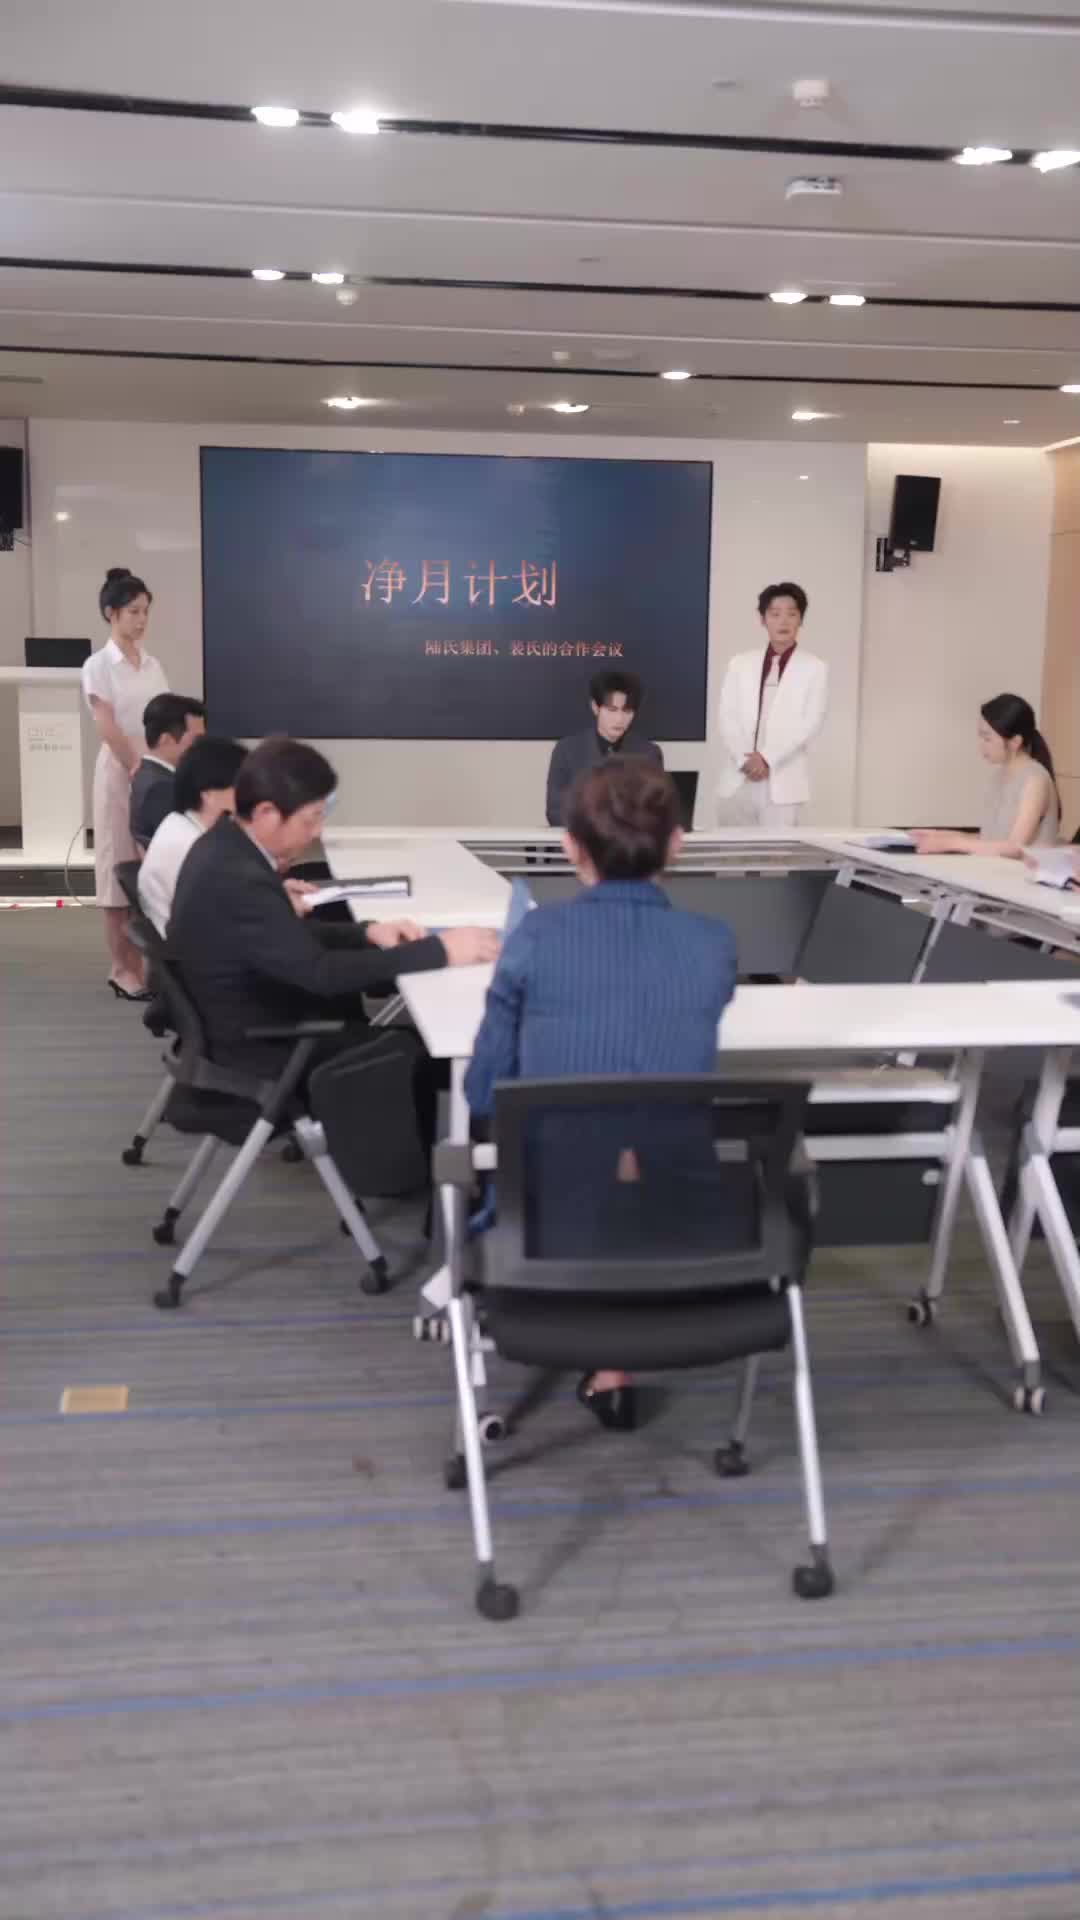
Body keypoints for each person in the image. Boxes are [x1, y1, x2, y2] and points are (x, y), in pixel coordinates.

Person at [466, 758, 738, 1433]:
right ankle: (615, 1361)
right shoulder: (713, 945)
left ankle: (604, 1350)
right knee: (634, 1143)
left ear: (570, 847)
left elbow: (482, 1093)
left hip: (546, 1229)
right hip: (687, 1231)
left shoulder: (535, 938)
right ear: (677, 844)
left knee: (580, 1151)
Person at [168, 737, 498, 1090]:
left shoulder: (223, 847)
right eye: (310, 820)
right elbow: (320, 972)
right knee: (411, 1054)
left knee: (399, 1035)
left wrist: (366, 932)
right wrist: (440, 951)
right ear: (266, 813)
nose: (317, 832)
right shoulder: (240, 877)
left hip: (250, 1018)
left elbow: (281, 936)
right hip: (261, 1047)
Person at [82, 566, 169, 999]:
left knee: (150, 870)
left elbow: (164, 717)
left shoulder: (152, 664)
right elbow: (106, 725)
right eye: (133, 611)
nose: (141, 619)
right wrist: (135, 766)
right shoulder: (98, 666)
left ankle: (150, 965)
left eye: (145, 611)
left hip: (152, 769)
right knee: (118, 869)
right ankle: (121, 969)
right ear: (110, 613)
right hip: (120, 771)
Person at [715, 582, 828, 828]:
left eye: (791, 614)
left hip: (783, 782)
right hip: (738, 777)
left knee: (777, 852)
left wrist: (766, 758)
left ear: (800, 619)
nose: (783, 621)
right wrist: (745, 760)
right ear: (763, 619)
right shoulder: (739, 663)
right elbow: (726, 716)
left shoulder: (814, 668)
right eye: (775, 614)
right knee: (730, 851)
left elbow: (810, 723)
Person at [912, 694, 1060, 857]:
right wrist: (939, 836)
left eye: (987, 739)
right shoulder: (999, 776)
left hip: (1024, 872)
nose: (981, 746)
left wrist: (951, 843)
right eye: (980, 737)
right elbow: (990, 839)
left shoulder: (1035, 780)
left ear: (1015, 742)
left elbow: (1014, 847)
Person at [138, 735, 247, 937]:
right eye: (239, 785)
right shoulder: (198, 848)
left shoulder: (177, 822)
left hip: (189, 936)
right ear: (209, 794)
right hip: (202, 944)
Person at [545, 669, 663, 826]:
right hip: (583, 838)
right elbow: (555, 811)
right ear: (595, 707)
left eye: (627, 711)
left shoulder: (649, 753)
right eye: (612, 710)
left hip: (630, 840)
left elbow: (656, 812)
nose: (619, 719)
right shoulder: (566, 751)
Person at [129, 693, 206, 852]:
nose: (202, 747)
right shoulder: (161, 788)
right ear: (166, 740)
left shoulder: (148, 775)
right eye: (196, 740)